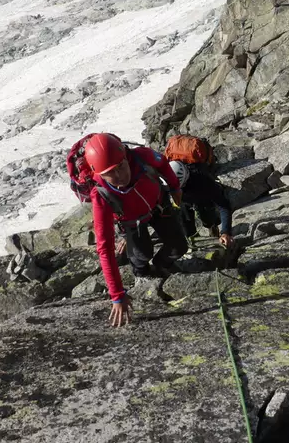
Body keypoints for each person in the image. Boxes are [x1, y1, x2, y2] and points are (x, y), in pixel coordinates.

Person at [84, 133, 187, 327]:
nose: (119, 176)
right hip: (131, 221)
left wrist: (175, 188)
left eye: (121, 167)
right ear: (99, 174)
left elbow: (163, 163)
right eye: (110, 173)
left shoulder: (141, 157)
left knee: (179, 246)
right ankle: (140, 271)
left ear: (125, 156)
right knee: (142, 253)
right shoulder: (101, 196)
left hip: (158, 206)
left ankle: (159, 265)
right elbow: (104, 248)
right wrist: (117, 295)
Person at [169, 160, 234, 249]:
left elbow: (223, 205)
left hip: (202, 198)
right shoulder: (165, 179)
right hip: (184, 201)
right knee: (187, 225)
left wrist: (226, 232)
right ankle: (192, 242)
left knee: (207, 219)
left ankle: (212, 226)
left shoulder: (203, 181)